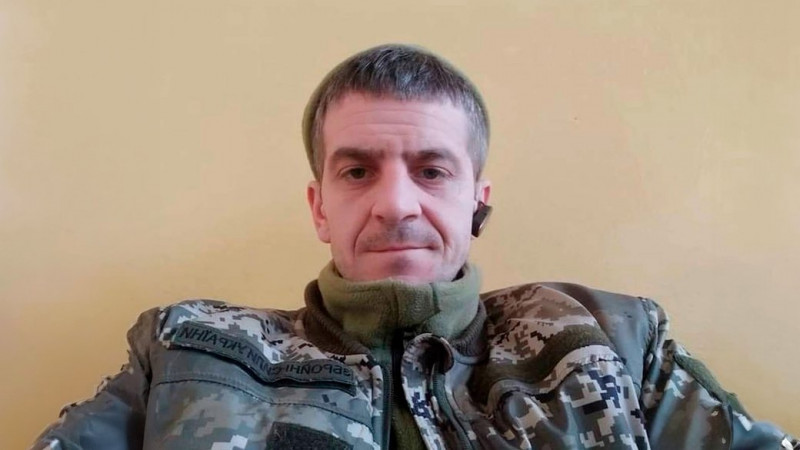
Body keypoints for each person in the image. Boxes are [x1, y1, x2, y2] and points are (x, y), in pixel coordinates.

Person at [33, 44, 796, 450]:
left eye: (432, 170)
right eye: (357, 171)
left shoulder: (617, 342)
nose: (397, 203)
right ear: (319, 207)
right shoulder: (183, 352)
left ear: (477, 200)